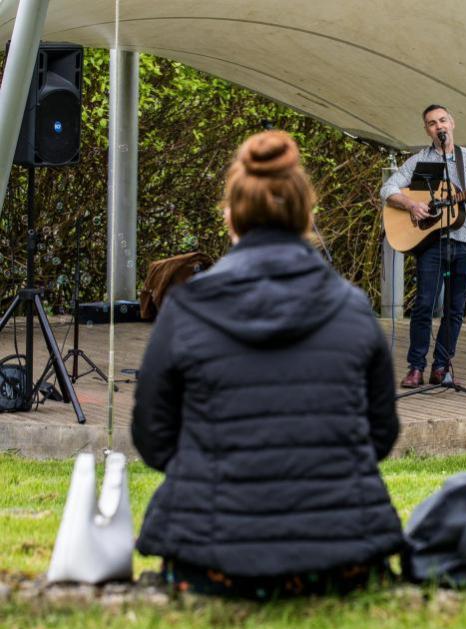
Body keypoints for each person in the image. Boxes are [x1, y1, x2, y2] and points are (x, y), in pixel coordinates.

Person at [131, 130, 404, 599]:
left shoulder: (186, 308)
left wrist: (215, 466)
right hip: (341, 557)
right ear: (307, 218)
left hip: (210, 561)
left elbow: (152, 438)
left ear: (231, 217)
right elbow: (380, 434)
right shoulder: (353, 307)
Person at [380, 104, 466, 388]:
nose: (439, 126)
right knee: (423, 305)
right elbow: (388, 189)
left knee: (454, 309)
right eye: (432, 123)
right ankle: (416, 367)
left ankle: (441, 365)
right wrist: (411, 204)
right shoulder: (419, 160)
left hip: (465, 240)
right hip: (430, 242)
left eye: (443, 120)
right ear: (427, 129)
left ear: (452, 123)